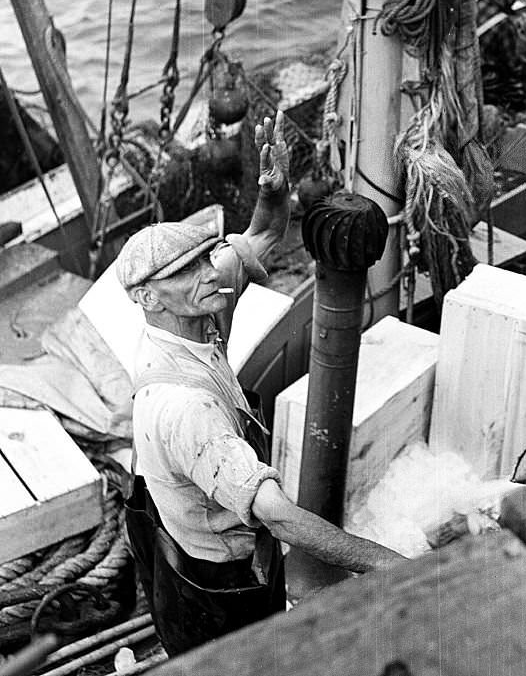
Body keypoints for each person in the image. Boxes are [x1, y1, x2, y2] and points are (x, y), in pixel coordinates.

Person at [119, 111, 403, 657]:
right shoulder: (182, 409)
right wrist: (381, 560)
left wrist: (273, 192)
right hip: (213, 588)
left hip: (197, 540)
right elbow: (275, 513)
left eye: (205, 259)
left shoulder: (196, 304)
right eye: (187, 270)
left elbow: (264, 234)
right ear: (148, 298)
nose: (208, 273)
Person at [477, 0, 526, 109]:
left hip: (456, 69)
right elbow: (512, 66)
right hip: (481, 79)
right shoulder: (506, 25)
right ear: (509, 0)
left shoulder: (477, 4)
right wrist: (519, 99)